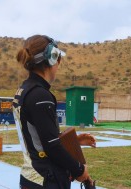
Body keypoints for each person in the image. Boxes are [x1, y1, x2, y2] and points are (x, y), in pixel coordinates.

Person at [12, 35, 96, 189]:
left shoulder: (24, 90)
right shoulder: (40, 95)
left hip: (33, 176)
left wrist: (74, 142)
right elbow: (52, 146)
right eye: (58, 59)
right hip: (45, 179)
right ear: (53, 58)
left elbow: (39, 138)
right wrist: (79, 169)